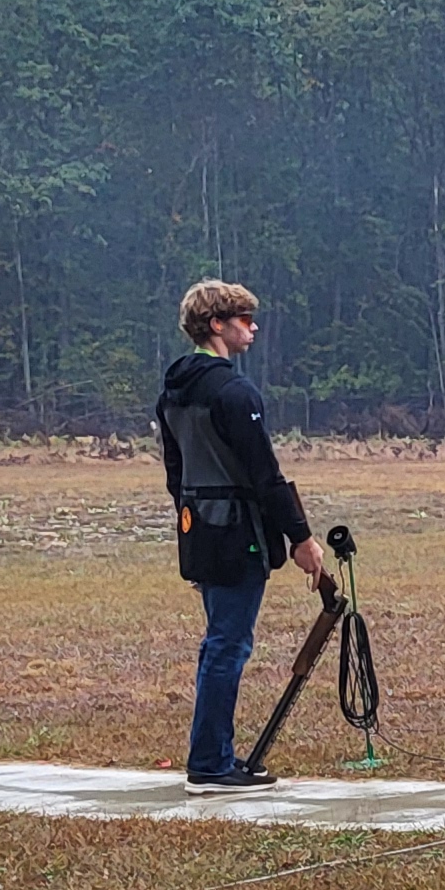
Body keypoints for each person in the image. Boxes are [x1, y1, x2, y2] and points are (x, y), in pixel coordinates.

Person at [158, 280, 325, 792]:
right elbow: (264, 474)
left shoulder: (173, 390)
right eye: (244, 319)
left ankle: (213, 757)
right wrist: (301, 539)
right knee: (227, 646)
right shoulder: (234, 391)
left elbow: (175, 472)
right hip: (237, 536)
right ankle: (209, 765)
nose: (252, 327)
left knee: (219, 644)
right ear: (217, 325)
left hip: (200, 531)